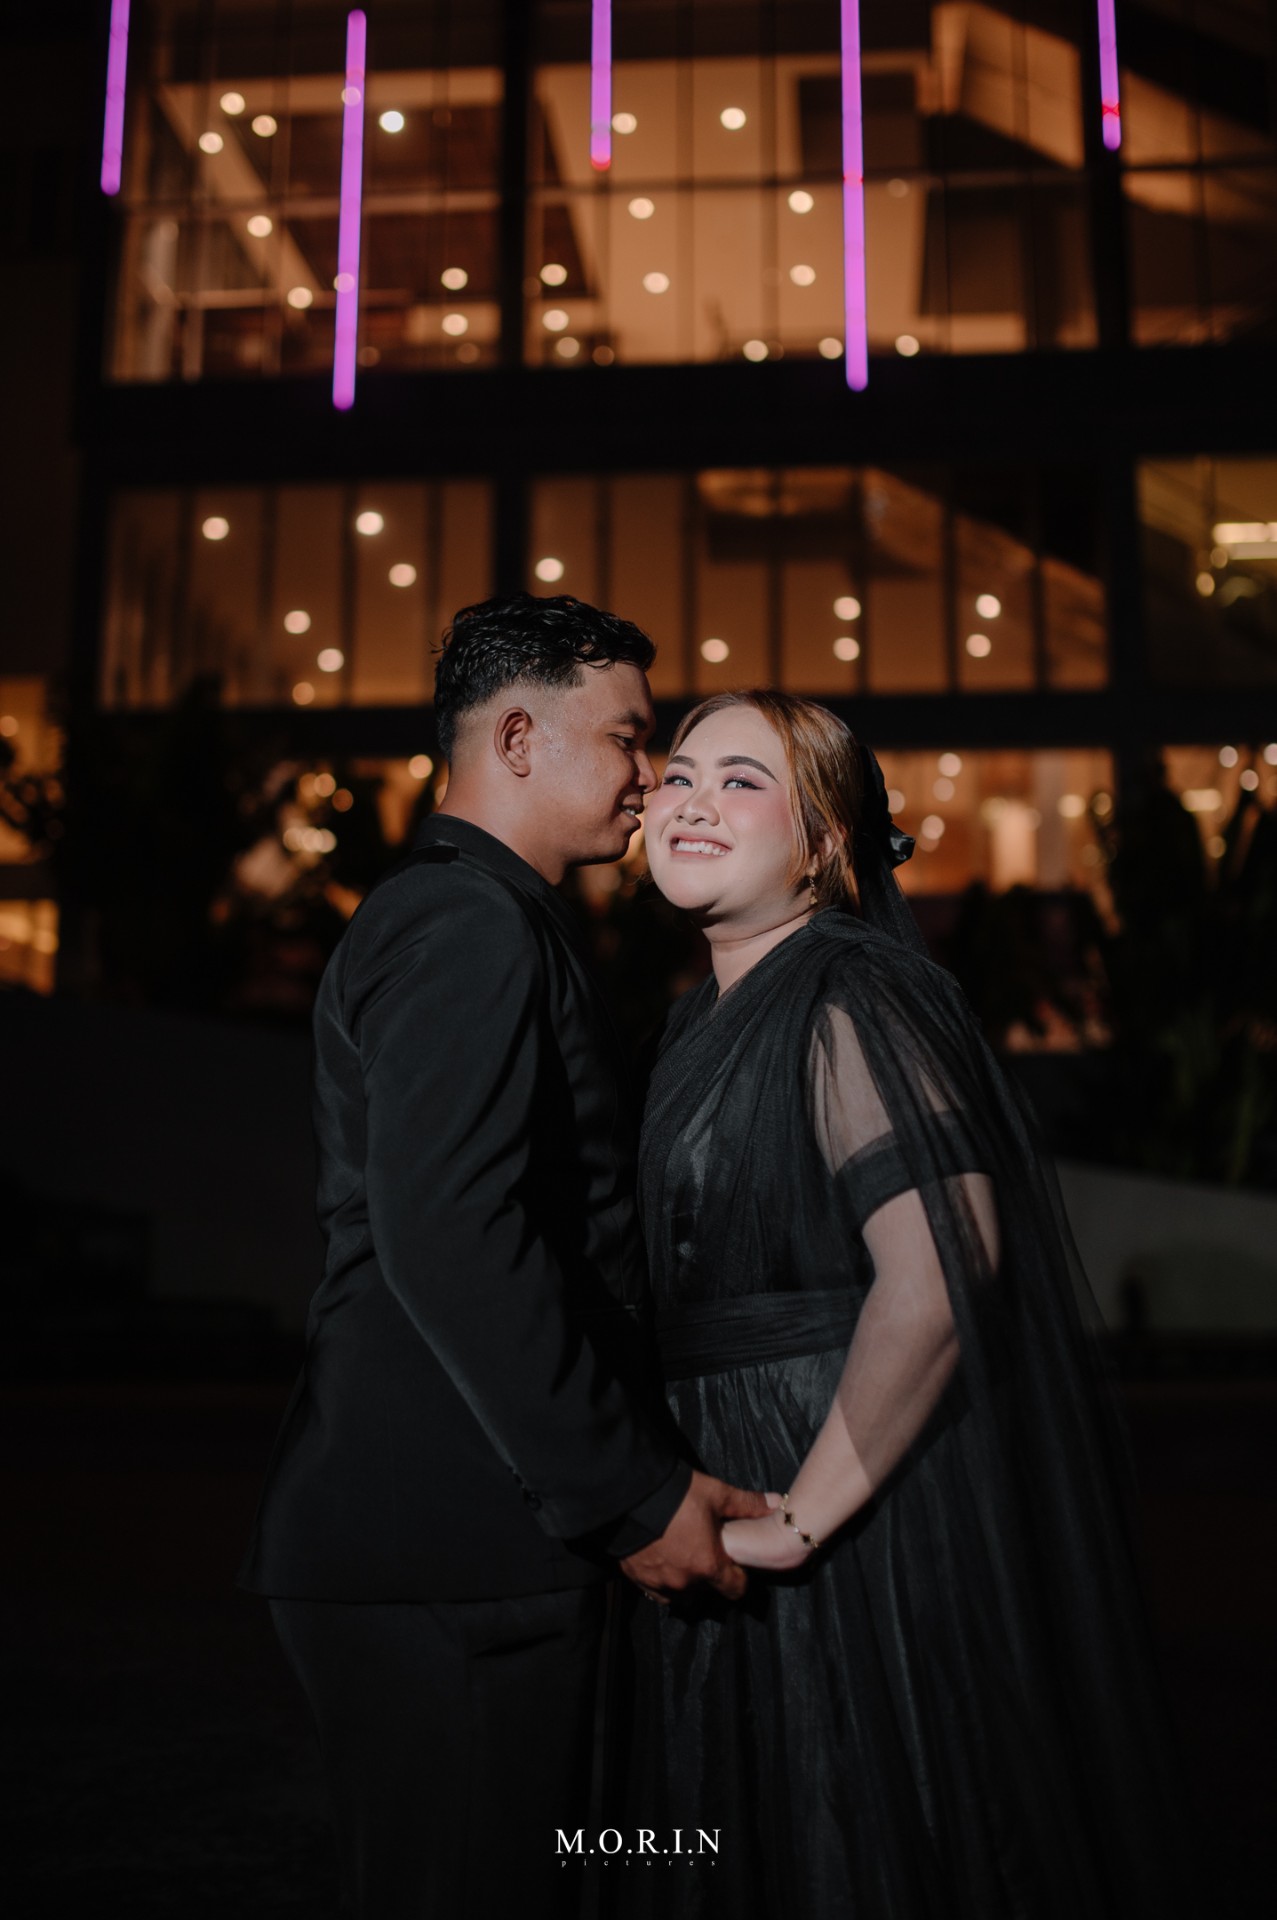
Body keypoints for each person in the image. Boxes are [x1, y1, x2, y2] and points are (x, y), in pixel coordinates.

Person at [238, 595, 768, 1920]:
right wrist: (627, 1494)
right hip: (446, 1548)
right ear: (518, 738)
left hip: (452, 1546)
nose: (651, 776)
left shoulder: (479, 916)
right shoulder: (462, 922)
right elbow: (449, 1232)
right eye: (630, 738)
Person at [621, 689, 1190, 1918]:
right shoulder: (699, 1017)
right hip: (726, 1475)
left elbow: (942, 1259)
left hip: (830, 1499)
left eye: (740, 781)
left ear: (824, 842)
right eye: (678, 776)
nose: (691, 802)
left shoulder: (846, 995)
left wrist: (800, 1519)